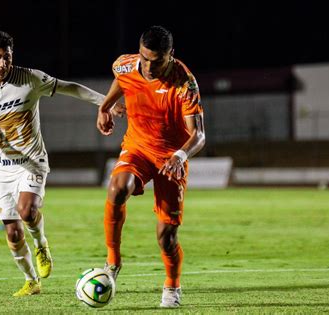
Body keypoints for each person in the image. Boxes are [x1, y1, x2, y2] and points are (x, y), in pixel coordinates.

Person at [0, 31, 124, 297]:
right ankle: (31, 281)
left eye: (7, 57)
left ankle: (41, 244)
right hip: (1, 167)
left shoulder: (30, 78)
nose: (3, 63)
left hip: (32, 161)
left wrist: (105, 103)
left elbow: (70, 87)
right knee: (13, 234)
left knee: (27, 211)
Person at [96, 25, 205, 308]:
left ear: (171, 55)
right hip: (138, 147)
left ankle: (172, 286)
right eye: (145, 58)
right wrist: (105, 106)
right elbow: (121, 80)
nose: (148, 66)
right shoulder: (126, 64)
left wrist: (181, 156)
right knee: (118, 187)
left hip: (171, 159)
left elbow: (199, 135)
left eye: (156, 61)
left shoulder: (184, 82)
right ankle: (112, 262)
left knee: (166, 235)